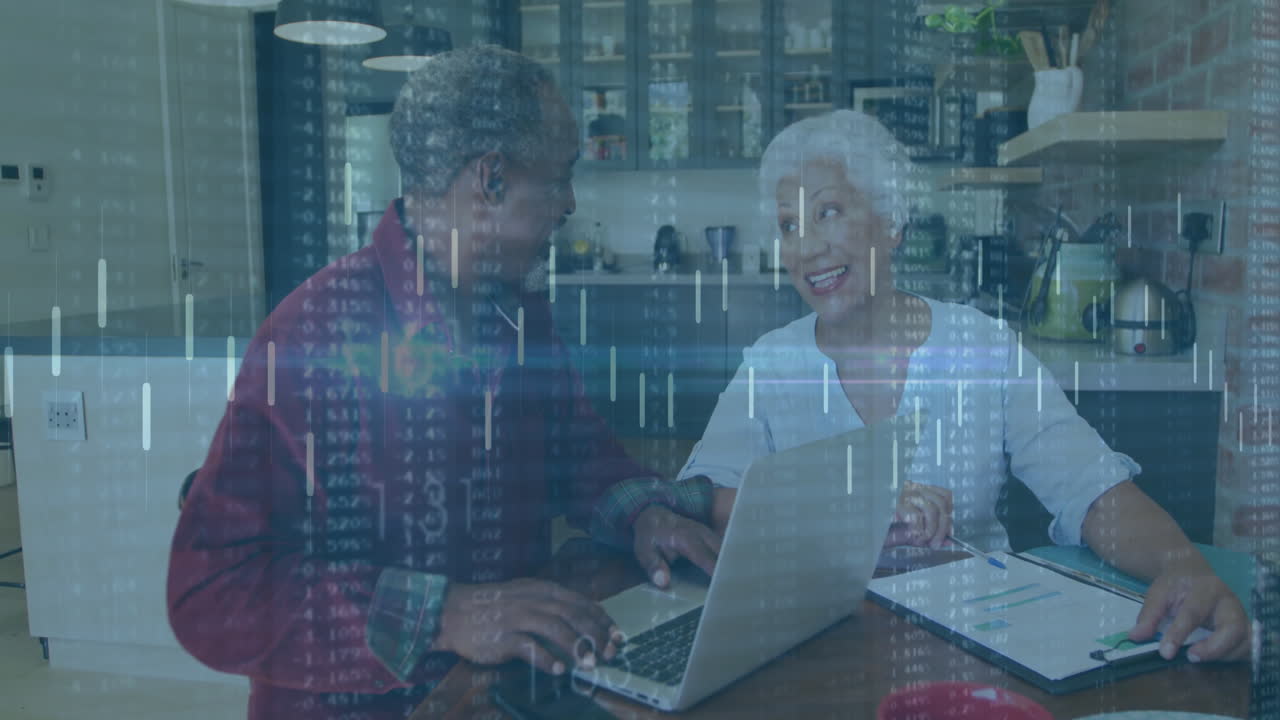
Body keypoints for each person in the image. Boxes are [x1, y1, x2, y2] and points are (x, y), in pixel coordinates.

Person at [166, 46, 719, 720]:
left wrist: (644, 512)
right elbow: (215, 591)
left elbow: (576, 453)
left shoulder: (519, 314)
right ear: (490, 179)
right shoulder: (314, 335)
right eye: (561, 177)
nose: (570, 204)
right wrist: (443, 615)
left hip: (497, 690)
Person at [679, 110, 1249, 663]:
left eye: (828, 212)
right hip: (813, 646)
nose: (806, 248)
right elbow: (706, 500)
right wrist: (849, 507)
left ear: (892, 220)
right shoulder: (771, 364)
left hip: (975, 642)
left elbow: (1093, 490)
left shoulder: (982, 346)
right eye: (789, 226)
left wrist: (1185, 568)